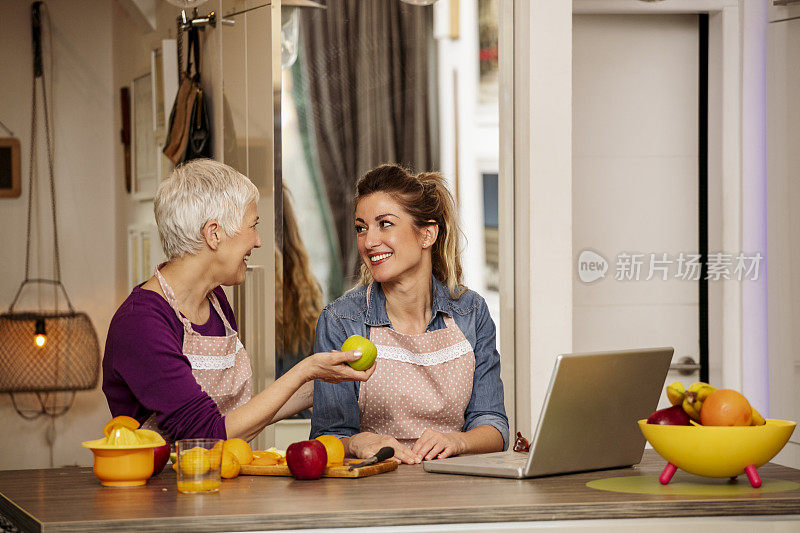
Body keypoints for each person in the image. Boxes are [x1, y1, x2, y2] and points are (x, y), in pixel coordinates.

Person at [102, 159, 374, 443]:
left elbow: (235, 415)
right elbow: (207, 436)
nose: (258, 241)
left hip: (219, 480)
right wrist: (304, 370)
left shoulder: (215, 301)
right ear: (214, 233)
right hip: (167, 485)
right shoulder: (140, 324)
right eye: (253, 226)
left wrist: (329, 380)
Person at [310, 164, 508, 464]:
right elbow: (329, 436)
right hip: (373, 490)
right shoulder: (341, 320)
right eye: (361, 228)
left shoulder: (472, 312)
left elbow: (494, 425)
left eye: (384, 224)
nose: (369, 241)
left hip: (458, 488)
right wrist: (359, 442)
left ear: (427, 234)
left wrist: (458, 441)